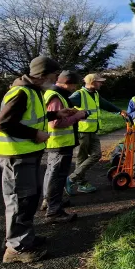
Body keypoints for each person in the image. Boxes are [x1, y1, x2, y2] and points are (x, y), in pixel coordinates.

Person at [0, 56, 79, 264]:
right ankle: (17, 247)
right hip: (16, 156)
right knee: (20, 200)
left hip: (26, 154)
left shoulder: (33, 92)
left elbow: (30, 118)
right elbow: (2, 123)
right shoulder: (22, 93)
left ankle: (24, 238)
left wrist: (57, 114)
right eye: (53, 76)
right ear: (42, 75)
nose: (55, 79)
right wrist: (35, 135)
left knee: (29, 198)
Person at [67, 73, 127, 194]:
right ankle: (80, 183)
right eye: (99, 81)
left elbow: (106, 104)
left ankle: (73, 178)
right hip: (82, 131)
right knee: (82, 158)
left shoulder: (94, 94)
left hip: (92, 130)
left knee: (96, 154)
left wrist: (120, 111)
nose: (101, 83)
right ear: (92, 82)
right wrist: (72, 113)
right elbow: (65, 104)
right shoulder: (79, 94)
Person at [41, 70, 88, 223]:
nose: (75, 89)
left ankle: (50, 201)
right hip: (60, 143)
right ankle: (54, 211)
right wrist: (78, 116)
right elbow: (56, 123)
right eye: (74, 85)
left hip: (56, 143)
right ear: (68, 83)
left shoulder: (54, 94)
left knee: (51, 173)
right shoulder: (56, 96)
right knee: (57, 176)